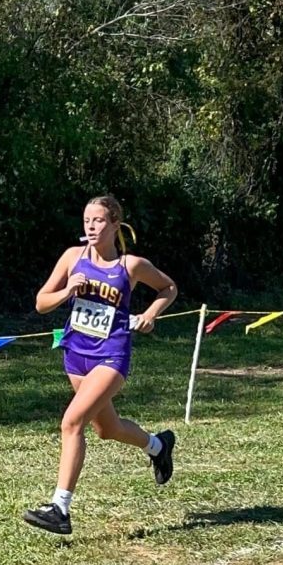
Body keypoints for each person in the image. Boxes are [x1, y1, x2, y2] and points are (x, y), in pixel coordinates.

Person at [23, 193, 178, 535]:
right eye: (86, 221)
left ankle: (60, 508)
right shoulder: (72, 257)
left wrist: (150, 314)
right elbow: (40, 303)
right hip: (76, 353)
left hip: (112, 354)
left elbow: (168, 288)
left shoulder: (130, 266)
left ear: (115, 225)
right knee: (107, 429)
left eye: (98, 221)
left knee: (72, 421)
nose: (91, 227)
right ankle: (158, 445)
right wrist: (67, 291)